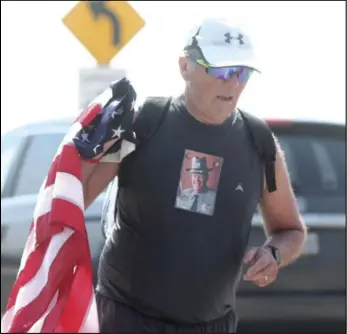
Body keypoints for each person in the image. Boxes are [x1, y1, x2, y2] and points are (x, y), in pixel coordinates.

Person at [81, 17, 307, 333]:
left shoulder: (259, 142)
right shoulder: (144, 122)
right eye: (221, 70)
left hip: (212, 324)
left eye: (242, 72)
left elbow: (291, 230)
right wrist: (87, 144)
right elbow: (77, 195)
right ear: (185, 66)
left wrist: (274, 254)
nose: (233, 83)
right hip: (127, 317)